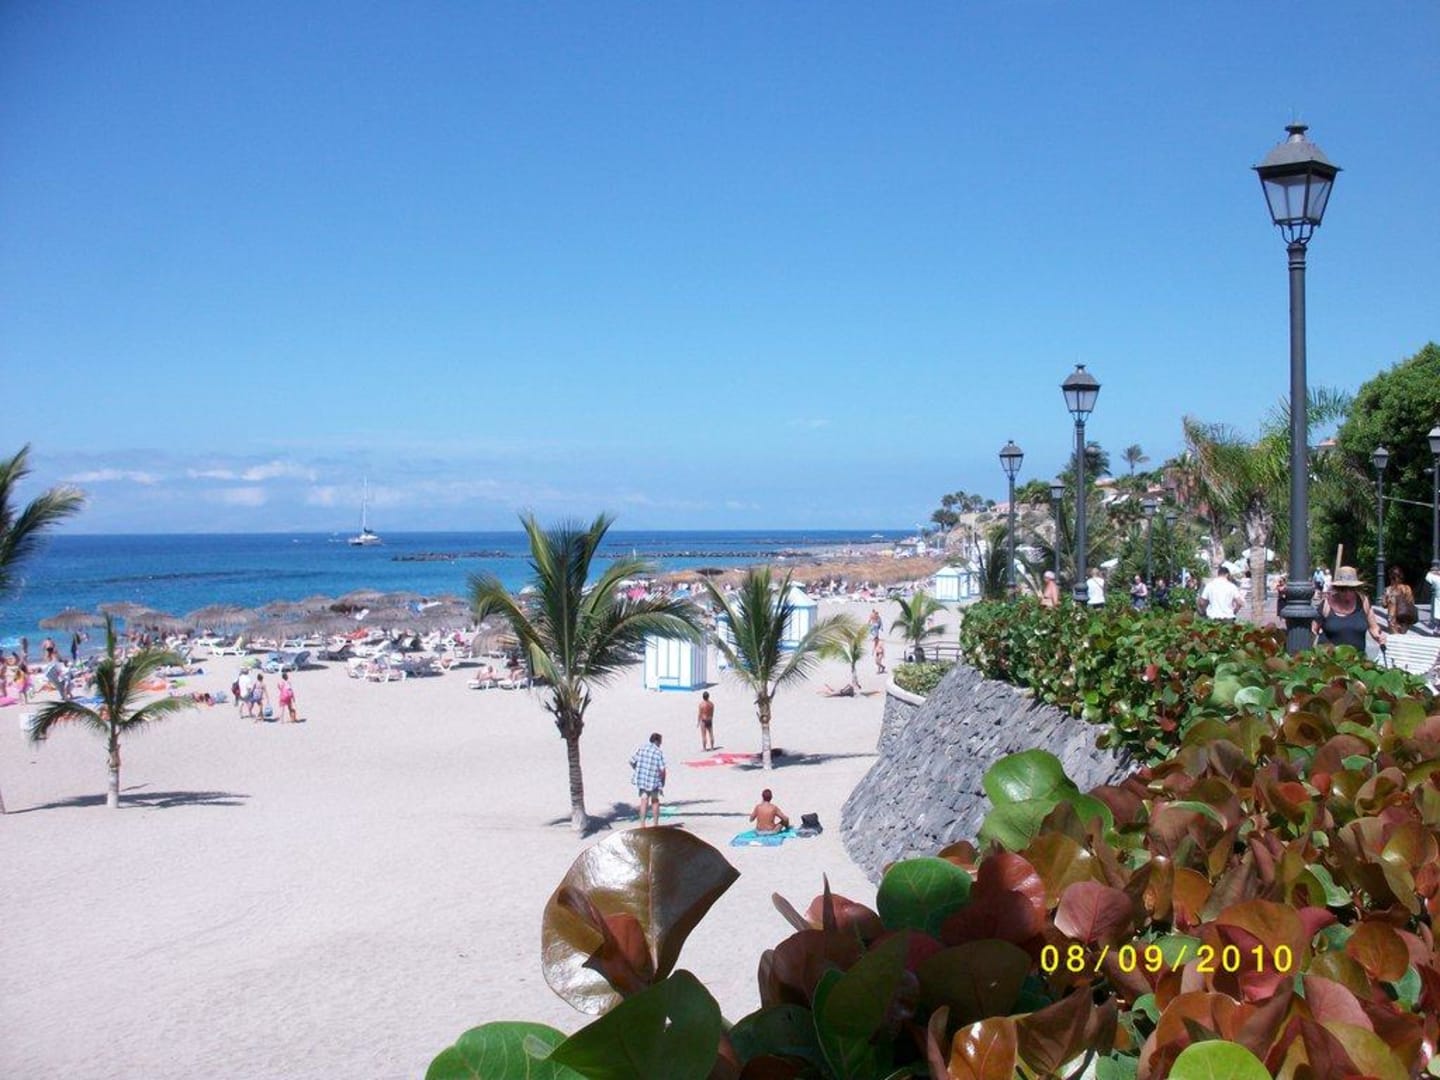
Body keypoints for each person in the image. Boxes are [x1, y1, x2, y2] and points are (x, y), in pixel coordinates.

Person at [1313, 566, 1386, 652]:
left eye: (1351, 589)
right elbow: (1313, 630)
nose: (1347, 592)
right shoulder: (1326, 604)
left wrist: (1379, 636)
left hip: (1357, 658)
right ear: (1337, 588)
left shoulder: (1363, 601)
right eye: (1343, 589)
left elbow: (1373, 627)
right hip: (1330, 658)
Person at [629, 732, 666, 827]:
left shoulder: (642, 748)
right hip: (654, 781)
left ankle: (642, 824)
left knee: (644, 800)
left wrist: (637, 769)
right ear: (657, 741)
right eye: (660, 742)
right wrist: (663, 782)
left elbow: (632, 761)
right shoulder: (658, 752)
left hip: (642, 780)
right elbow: (662, 769)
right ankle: (655, 824)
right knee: (655, 801)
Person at [1385, 567, 1418, 634]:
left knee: (1395, 637)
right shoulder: (1407, 588)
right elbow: (1411, 601)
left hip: (1392, 618)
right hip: (1405, 617)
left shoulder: (1389, 589)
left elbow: (1384, 604)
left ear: (1390, 577)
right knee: (1403, 637)